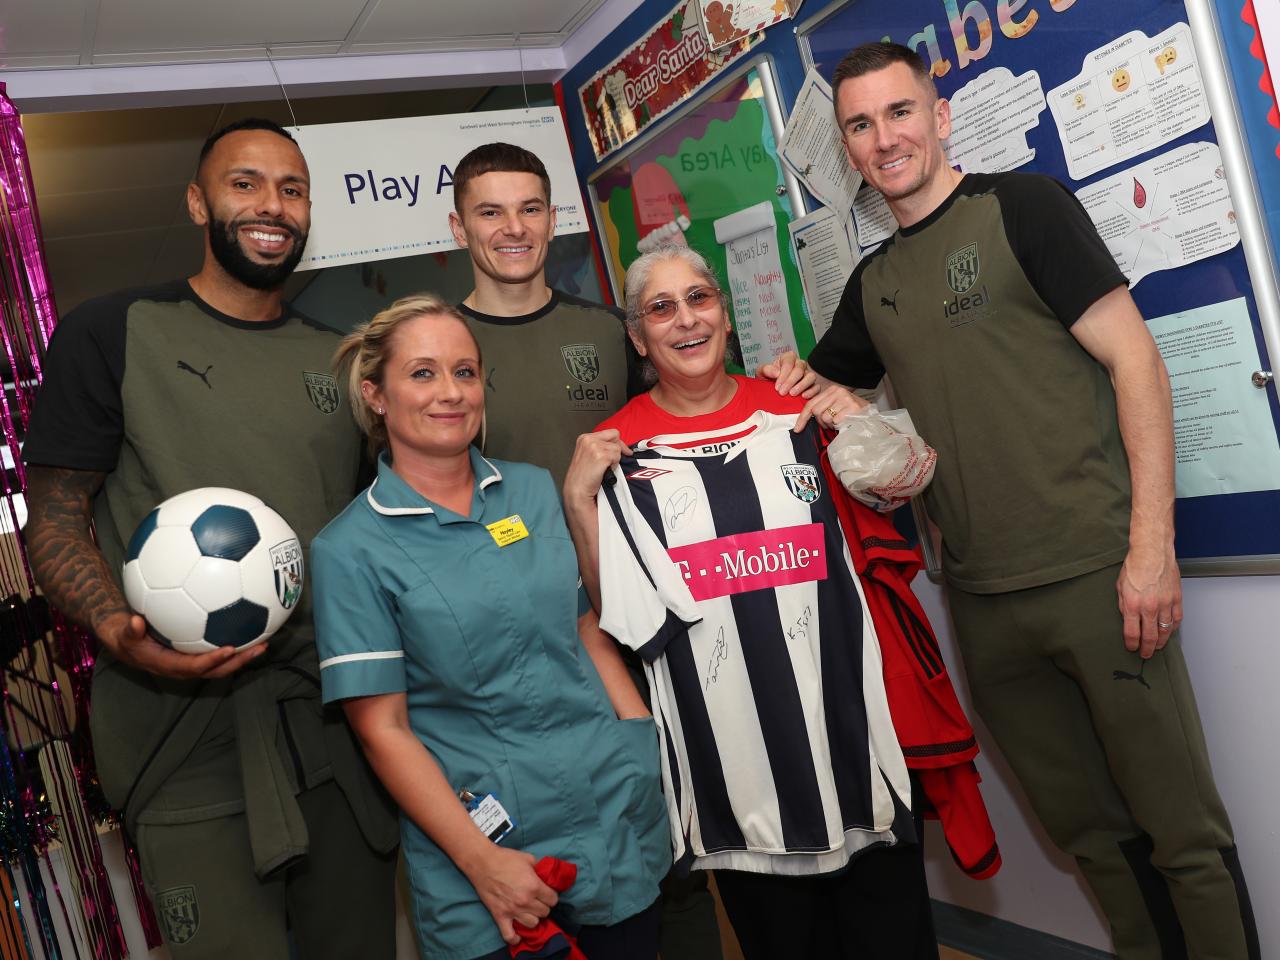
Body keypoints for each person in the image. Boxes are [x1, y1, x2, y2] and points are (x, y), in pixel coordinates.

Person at [807, 42, 1259, 959]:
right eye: (860, 124)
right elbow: (815, 393)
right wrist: (791, 387)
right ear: (847, 149)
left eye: (900, 112)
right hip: (985, 606)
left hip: (1100, 577)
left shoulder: (1023, 208)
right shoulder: (874, 285)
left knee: (1182, 831)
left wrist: (1150, 548)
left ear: (939, 116)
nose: (884, 138)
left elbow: (1137, 364)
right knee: (1091, 837)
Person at [21, 118, 398, 958]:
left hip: (333, 728)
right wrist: (118, 628)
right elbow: (54, 515)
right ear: (197, 203)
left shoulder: (340, 358)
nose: (272, 205)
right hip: (182, 736)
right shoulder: (114, 331)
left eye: (292, 189)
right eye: (245, 183)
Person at [447, 141, 813, 959]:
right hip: (514, 643)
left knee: (668, 840)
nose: (514, 228)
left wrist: (794, 380)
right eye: (491, 211)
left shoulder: (607, 330)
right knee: (546, 854)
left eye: (530, 208)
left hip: (638, 624)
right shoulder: (443, 348)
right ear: (458, 226)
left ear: (554, 219)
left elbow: (695, 407)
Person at [560, 245, 952, 960]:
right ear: (638, 338)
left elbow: (904, 484)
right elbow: (626, 617)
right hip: (737, 779)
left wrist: (853, 411)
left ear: (725, 312)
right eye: (661, 308)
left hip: (853, 747)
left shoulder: (794, 411)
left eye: (699, 298)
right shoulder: (619, 452)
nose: (686, 319)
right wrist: (579, 503)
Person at [310, 294, 671, 960]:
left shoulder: (532, 491)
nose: (450, 392)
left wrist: (636, 740)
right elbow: (382, 730)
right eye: (422, 373)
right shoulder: (351, 550)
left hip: (611, 811)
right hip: (490, 851)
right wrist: (482, 864)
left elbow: (586, 631)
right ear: (375, 395)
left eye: (465, 372)